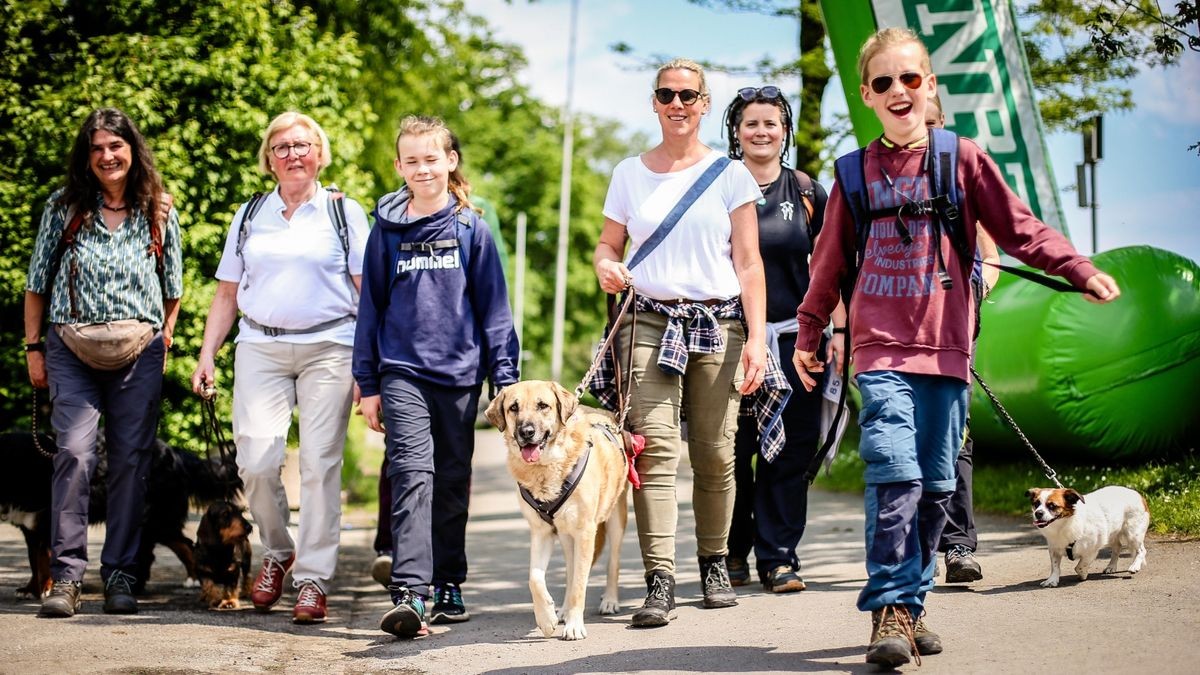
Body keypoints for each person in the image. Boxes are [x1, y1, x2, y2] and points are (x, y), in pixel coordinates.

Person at [790, 28, 1120, 667]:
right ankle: (886, 608)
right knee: (893, 471)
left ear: (930, 85)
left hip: (946, 350)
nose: (898, 91)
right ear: (866, 94)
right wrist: (810, 334)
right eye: (883, 82)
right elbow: (827, 266)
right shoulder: (852, 173)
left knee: (939, 486)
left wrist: (1076, 268)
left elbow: (1019, 229)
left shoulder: (960, 159)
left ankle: (911, 608)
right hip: (881, 349)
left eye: (910, 78)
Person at [592, 58, 768, 628]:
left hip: (719, 324)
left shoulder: (731, 175)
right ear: (654, 102)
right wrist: (607, 268)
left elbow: (748, 263)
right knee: (658, 452)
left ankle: (715, 563)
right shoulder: (628, 173)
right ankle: (659, 579)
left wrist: (758, 342)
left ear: (704, 105)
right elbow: (605, 248)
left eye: (689, 96)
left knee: (716, 454)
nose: (678, 104)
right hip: (649, 322)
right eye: (667, 94)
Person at [190, 111, 369, 624]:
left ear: (320, 154)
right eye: (282, 146)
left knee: (319, 465)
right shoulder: (250, 214)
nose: (293, 154)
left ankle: (312, 578)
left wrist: (368, 364)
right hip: (260, 347)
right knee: (257, 463)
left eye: (303, 145)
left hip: (331, 346)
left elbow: (368, 293)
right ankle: (277, 550)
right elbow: (227, 293)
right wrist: (207, 354)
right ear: (269, 158)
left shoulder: (342, 212)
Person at [355, 115, 518, 639]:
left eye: (432, 158)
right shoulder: (385, 228)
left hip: (460, 376)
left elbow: (495, 311)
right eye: (412, 160)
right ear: (398, 166)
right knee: (411, 473)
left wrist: (506, 383)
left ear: (450, 161)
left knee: (450, 480)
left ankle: (449, 582)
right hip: (401, 370)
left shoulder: (472, 228)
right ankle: (411, 592)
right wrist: (369, 383)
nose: (422, 168)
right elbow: (370, 309)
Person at [24, 107, 183, 618]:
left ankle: (121, 576)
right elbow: (37, 282)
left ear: (132, 151)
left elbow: (173, 288)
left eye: (115, 146)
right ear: (86, 157)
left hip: (139, 352)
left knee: (132, 464)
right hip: (71, 348)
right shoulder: (64, 207)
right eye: (96, 148)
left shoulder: (157, 210)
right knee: (74, 454)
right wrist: (33, 349)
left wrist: (165, 339)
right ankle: (67, 579)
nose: (106, 156)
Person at [720, 86, 843, 594]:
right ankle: (730, 554)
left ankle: (779, 558)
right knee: (732, 451)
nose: (761, 131)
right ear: (736, 131)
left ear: (785, 131)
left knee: (788, 454)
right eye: (751, 123)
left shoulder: (809, 191)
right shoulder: (718, 184)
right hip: (731, 338)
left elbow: (833, 264)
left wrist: (841, 331)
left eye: (771, 123)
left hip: (798, 342)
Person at [924, 93, 1000, 584]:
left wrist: (976, 290)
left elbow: (992, 252)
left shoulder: (962, 168)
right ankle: (916, 547)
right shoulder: (874, 174)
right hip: (899, 325)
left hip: (955, 321)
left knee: (956, 433)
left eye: (932, 121)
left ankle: (958, 548)